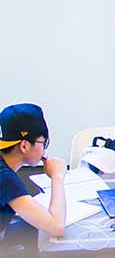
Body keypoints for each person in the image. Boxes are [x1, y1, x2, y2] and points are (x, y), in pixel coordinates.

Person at [1, 103, 69, 241]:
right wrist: (57, 176)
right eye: (43, 143)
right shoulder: (5, 178)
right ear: (24, 145)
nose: (44, 149)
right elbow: (57, 227)